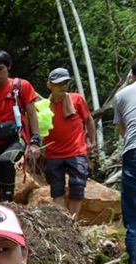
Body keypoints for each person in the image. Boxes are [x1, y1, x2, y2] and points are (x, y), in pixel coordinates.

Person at [0, 51, 42, 203]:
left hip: (17, 137)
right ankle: (3, 200)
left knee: (6, 161)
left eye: (0, 69)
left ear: (8, 67)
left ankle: (9, 201)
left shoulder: (21, 86)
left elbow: (32, 114)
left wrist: (35, 141)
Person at [43, 67, 97, 217]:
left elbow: (88, 120)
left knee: (77, 187)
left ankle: (72, 221)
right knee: (57, 189)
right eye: (59, 83)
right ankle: (64, 221)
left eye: (65, 83)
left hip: (76, 151)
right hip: (54, 153)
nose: (63, 86)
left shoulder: (77, 99)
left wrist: (92, 141)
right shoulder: (44, 105)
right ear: (49, 85)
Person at [114, 57, 136, 264]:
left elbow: (123, 131)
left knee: (133, 214)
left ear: (132, 75)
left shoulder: (122, 95)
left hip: (134, 152)